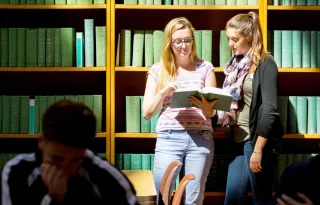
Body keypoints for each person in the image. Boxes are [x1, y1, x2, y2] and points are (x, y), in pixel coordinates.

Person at [1, 100, 138, 205]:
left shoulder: (106, 176)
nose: (65, 170)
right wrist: (54, 198)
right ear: (41, 141)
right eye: (57, 159)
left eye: (75, 160)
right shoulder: (17, 172)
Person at [142, 17, 217, 205]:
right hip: (169, 137)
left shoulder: (205, 68)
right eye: (178, 41)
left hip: (200, 138)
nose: (184, 46)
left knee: (194, 199)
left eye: (188, 40)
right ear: (169, 43)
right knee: (163, 196)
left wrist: (207, 108)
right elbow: (147, 113)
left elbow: (213, 112)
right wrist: (163, 92)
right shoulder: (158, 70)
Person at [220, 11, 284, 205]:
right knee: (232, 199)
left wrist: (258, 150)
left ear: (249, 37)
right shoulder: (234, 66)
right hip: (238, 139)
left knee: (261, 200)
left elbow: (270, 108)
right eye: (228, 39)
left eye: (235, 39)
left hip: (256, 142)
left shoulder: (265, 63)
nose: (231, 44)